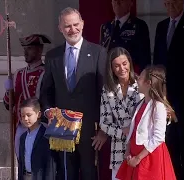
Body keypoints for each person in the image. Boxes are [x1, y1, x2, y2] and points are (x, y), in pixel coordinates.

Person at [40, 7, 107, 180]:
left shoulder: (98, 53)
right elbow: (46, 91)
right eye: (67, 26)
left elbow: (105, 93)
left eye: (76, 24)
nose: (73, 29)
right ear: (60, 28)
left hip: (90, 130)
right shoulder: (52, 56)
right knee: (65, 173)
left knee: (89, 173)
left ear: (83, 24)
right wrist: (48, 112)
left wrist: (103, 128)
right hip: (61, 128)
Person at [153, 0, 184, 179]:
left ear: (181, 2)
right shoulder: (161, 26)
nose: (170, 6)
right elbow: (157, 61)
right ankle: (170, 173)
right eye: (167, 3)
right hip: (164, 93)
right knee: (168, 136)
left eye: (174, 2)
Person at [116, 65, 176, 180]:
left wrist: (138, 158)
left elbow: (158, 137)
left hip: (149, 157)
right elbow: (134, 130)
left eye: (140, 77)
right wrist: (128, 151)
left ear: (148, 83)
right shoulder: (141, 103)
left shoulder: (158, 106)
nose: (137, 79)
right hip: (135, 157)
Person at [3, 34, 51, 158]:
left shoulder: (46, 73)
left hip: (39, 125)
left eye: (29, 48)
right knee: (21, 159)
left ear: (39, 50)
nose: (25, 52)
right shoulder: (18, 74)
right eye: (25, 48)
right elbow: (8, 104)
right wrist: (9, 91)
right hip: (20, 123)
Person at [99, 47, 144, 180]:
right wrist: (122, 131)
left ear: (130, 63)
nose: (122, 68)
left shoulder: (141, 84)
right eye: (117, 66)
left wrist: (133, 130)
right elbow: (104, 123)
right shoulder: (108, 89)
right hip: (118, 148)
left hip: (139, 145)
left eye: (124, 64)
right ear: (111, 68)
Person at [99, 0, 151, 75]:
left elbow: (144, 58)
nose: (117, 3)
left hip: (129, 75)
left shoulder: (139, 26)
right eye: (114, 0)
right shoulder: (106, 27)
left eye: (121, 0)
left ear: (130, 3)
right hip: (109, 75)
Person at [18, 97, 56, 180]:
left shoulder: (46, 136)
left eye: (29, 115)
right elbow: (21, 164)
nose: (25, 119)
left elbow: (50, 166)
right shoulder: (22, 137)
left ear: (38, 114)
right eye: (23, 116)